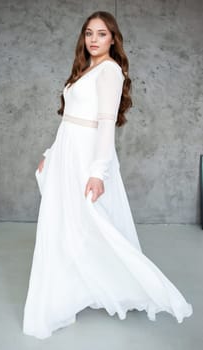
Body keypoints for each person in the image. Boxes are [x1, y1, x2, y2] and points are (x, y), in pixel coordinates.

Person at [23, 11, 193, 339]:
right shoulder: (86, 69)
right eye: (89, 33)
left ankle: (141, 287)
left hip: (88, 156)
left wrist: (98, 172)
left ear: (113, 39)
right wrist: (50, 154)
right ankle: (67, 294)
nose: (94, 40)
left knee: (92, 224)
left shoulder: (111, 71)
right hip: (67, 153)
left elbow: (104, 125)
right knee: (64, 223)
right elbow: (69, 120)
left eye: (102, 34)